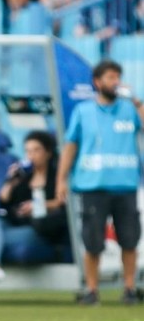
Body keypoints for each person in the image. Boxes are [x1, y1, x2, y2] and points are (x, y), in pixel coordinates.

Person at [57, 59, 144, 306]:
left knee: (130, 240)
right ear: (97, 82)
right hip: (91, 185)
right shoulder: (83, 111)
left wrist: (136, 101)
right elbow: (70, 146)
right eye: (109, 77)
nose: (114, 82)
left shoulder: (130, 109)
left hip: (125, 185)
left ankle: (129, 289)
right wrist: (61, 179)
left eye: (117, 77)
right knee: (92, 242)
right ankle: (92, 290)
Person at [0, 130, 70, 307]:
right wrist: (10, 181)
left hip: (42, 228)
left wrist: (39, 205)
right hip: (18, 226)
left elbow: (64, 203)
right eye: (28, 151)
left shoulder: (57, 176)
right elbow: (4, 201)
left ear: (48, 152)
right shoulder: (23, 175)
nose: (31, 155)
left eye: (36, 150)